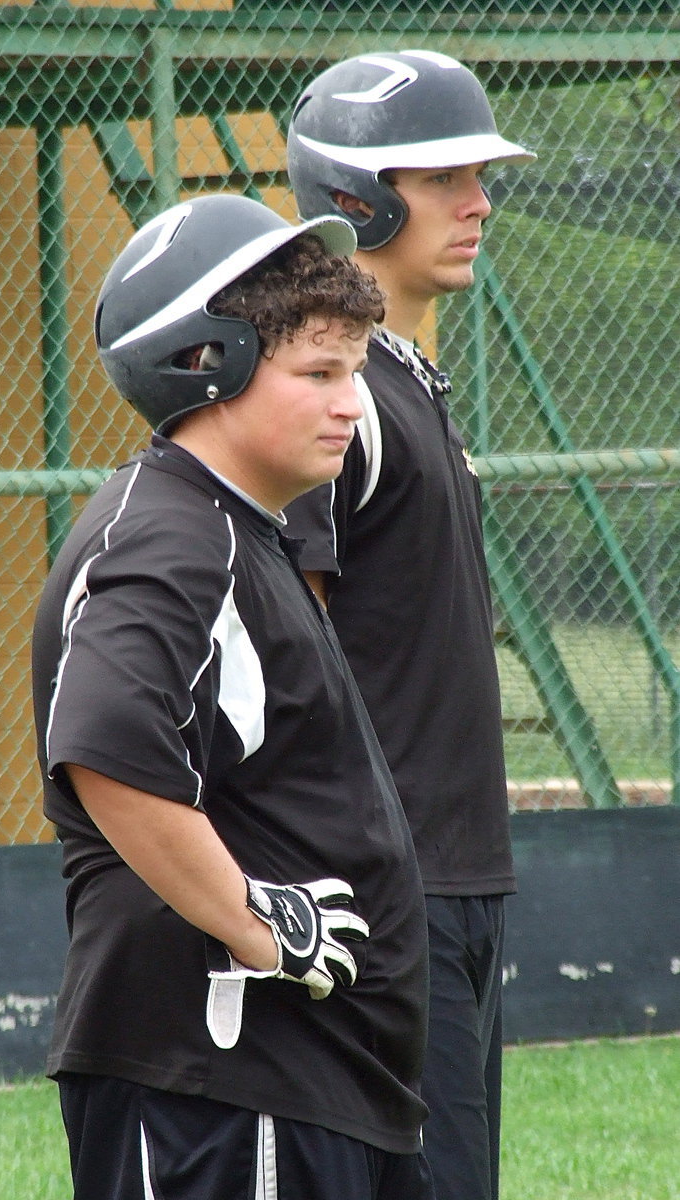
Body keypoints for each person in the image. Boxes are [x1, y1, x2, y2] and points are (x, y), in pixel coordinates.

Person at [31, 194, 435, 1200]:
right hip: (225, 1090)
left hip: (310, 1084)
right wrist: (257, 919)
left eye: (355, 370)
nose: (354, 402)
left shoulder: (238, 528)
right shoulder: (174, 538)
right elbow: (107, 751)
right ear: (207, 364)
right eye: (320, 373)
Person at [284, 49, 537, 1200]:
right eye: (444, 177)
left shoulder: (407, 380)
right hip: (391, 889)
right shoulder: (337, 401)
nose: (477, 202)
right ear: (359, 194)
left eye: (480, 175)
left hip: (461, 878)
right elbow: (295, 648)